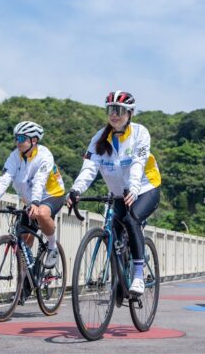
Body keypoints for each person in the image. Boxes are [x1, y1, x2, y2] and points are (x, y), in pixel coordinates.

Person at [66, 91, 161, 295]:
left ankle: (137, 275)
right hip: (118, 192)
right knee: (114, 235)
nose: (114, 115)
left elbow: (138, 162)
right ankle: (118, 277)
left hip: (145, 187)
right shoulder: (99, 138)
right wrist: (76, 189)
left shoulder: (140, 133)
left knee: (131, 220)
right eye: (110, 110)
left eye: (119, 110)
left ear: (130, 113)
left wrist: (134, 189)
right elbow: (89, 168)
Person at [0, 121, 65, 269]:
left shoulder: (45, 155)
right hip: (31, 200)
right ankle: (26, 283)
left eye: (21, 138)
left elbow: (39, 181)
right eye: (16, 138)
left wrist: (36, 202)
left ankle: (52, 247)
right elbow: (4, 180)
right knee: (23, 244)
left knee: (42, 214)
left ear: (34, 140)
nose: (17, 142)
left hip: (51, 195)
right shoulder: (14, 157)